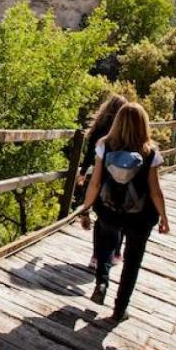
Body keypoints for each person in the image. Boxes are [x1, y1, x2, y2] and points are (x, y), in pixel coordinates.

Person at [81, 102, 170, 322]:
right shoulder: (150, 152)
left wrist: (85, 209)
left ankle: (101, 282)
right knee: (132, 261)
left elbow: (95, 183)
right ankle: (120, 309)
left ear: (118, 121)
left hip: (109, 211)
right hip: (140, 217)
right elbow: (155, 191)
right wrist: (164, 217)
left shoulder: (104, 146)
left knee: (104, 244)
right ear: (143, 124)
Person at [75, 94, 127, 270]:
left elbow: (90, 154)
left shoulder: (98, 130)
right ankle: (116, 253)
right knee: (120, 216)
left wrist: (82, 173)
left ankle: (96, 256)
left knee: (101, 218)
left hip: (100, 176)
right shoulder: (124, 130)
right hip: (121, 178)